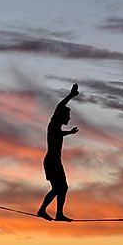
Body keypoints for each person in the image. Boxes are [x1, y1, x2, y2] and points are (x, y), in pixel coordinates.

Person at [37, 83, 79, 221]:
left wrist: (70, 133)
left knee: (62, 188)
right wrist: (71, 95)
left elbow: (59, 134)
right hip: (52, 162)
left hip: (55, 162)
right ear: (61, 116)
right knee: (58, 188)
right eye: (67, 116)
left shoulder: (56, 129)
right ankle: (43, 210)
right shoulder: (54, 123)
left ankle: (58, 213)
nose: (69, 118)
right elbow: (60, 107)